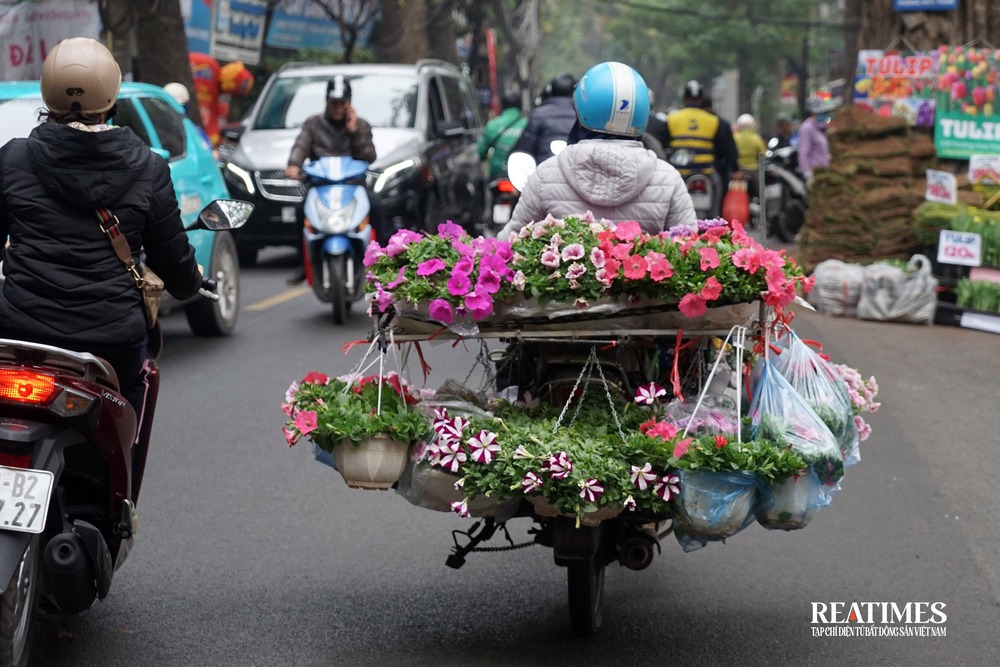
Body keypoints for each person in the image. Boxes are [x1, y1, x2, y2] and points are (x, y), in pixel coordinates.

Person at [0, 38, 205, 441]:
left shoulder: (13, 159)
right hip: (110, 339)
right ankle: (121, 496)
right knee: (131, 399)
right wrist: (192, 282)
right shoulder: (148, 167)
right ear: (112, 94)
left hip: (21, 331)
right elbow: (174, 263)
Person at [498, 61, 695, 241]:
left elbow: (511, 242)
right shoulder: (668, 179)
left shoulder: (546, 175)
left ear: (581, 110)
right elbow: (688, 249)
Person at [283, 74, 378, 285]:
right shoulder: (313, 123)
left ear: (349, 102)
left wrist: (355, 133)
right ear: (327, 101)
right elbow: (301, 146)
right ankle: (303, 261)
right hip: (320, 186)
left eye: (342, 102)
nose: (337, 107)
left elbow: (370, 157)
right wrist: (293, 165)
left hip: (353, 186)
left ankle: (383, 260)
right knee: (299, 213)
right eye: (333, 102)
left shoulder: (361, 125)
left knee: (378, 206)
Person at [658, 80, 735, 216]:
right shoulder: (714, 120)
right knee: (718, 188)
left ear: (684, 98)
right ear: (701, 99)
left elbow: (664, 144)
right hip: (706, 172)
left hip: (680, 173)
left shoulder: (672, 118)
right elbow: (723, 148)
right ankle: (715, 219)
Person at [510, 72, 577, 164]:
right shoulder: (583, 115)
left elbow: (525, 149)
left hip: (543, 173)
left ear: (550, 91)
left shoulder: (538, 114)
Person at [477, 90, 527, 181]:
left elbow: (481, 151)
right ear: (520, 106)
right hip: (523, 174)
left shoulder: (492, 124)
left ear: (502, 106)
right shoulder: (528, 124)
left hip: (498, 174)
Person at [733, 113, 767, 198]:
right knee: (759, 193)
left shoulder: (734, 137)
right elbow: (764, 154)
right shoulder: (756, 138)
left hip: (737, 171)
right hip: (752, 171)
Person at [797, 104, 830, 188]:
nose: (825, 115)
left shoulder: (818, 128)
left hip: (822, 173)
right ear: (813, 113)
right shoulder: (807, 128)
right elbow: (803, 153)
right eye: (822, 112)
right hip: (814, 174)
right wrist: (808, 174)